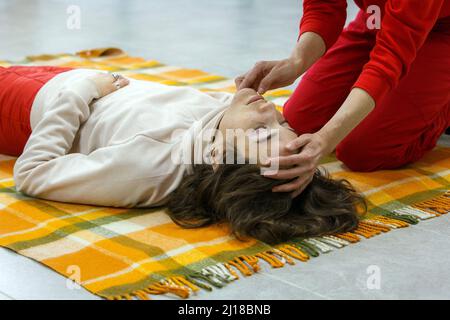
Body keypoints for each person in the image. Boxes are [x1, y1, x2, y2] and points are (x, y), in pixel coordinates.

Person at [0, 65, 364, 244]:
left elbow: (33, 174)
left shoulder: (149, 169)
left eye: (260, 131)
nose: (270, 111)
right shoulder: (220, 139)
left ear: (220, 158)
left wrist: (82, 90)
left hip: (29, 107)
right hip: (72, 80)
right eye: (285, 126)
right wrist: (244, 105)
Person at [236, 0, 450, 198]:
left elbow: (389, 58)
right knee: (299, 123)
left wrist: (327, 138)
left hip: (442, 29)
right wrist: (296, 62)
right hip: (379, 20)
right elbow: (324, 7)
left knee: (363, 151)